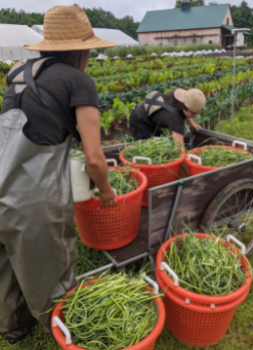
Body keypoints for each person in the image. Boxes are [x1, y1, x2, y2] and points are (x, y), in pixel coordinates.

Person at [0, 6, 118, 345]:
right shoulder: (78, 80)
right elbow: (95, 158)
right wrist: (106, 190)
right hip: (32, 193)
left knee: (6, 261)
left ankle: (13, 328)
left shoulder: (19, 73)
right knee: (55, 261)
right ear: (78, 50)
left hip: (1, 174)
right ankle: (64, 329)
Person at [128, 86, 206, 147]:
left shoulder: (182, 96)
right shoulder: (175, 119)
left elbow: (188, 108)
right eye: (193, 112)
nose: (196, 116)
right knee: (150, 149)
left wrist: (192, 124)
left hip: (149, 112)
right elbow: (179, 148)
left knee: (160, 143)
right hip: (139, 120)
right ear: (184, 107)